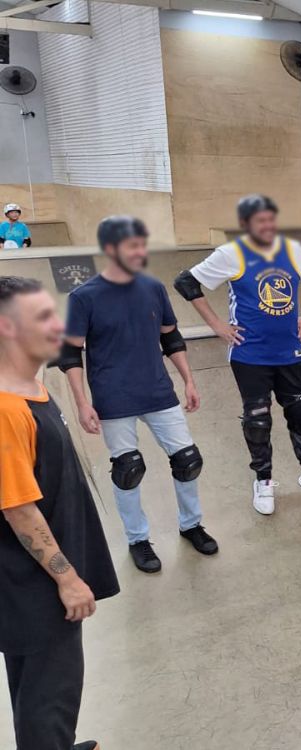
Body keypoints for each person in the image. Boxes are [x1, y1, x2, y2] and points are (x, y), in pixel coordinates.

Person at [60, 216, 217, 574]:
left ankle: (191, 524)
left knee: (188, 459)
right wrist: (82, 403)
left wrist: (188, 380)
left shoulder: (153, 287)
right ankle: (138, 540)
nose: (139, 252)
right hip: (114, 398)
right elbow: (70, 354)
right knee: (128, 469)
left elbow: (171, 338)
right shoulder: (83, 297)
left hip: (159, 391)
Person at [0, 275, 119, 750]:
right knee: (53, 691)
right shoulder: (8, 410)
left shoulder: (33, 387)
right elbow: (17, 507)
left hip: (34, 584)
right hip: (35, 586)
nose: (58, 325)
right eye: (43, 317)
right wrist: (67, 579)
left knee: (37, 687)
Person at [174, 195, 301, 515]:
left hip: (290, 351)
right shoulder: (232, 254)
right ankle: (264, 480)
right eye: (261, 221)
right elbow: (186, 283)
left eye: (271, 220)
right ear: (246, 224)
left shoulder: (291, 250)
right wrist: (218, 325)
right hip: (250, 355)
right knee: (257, 419)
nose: (268, 227)